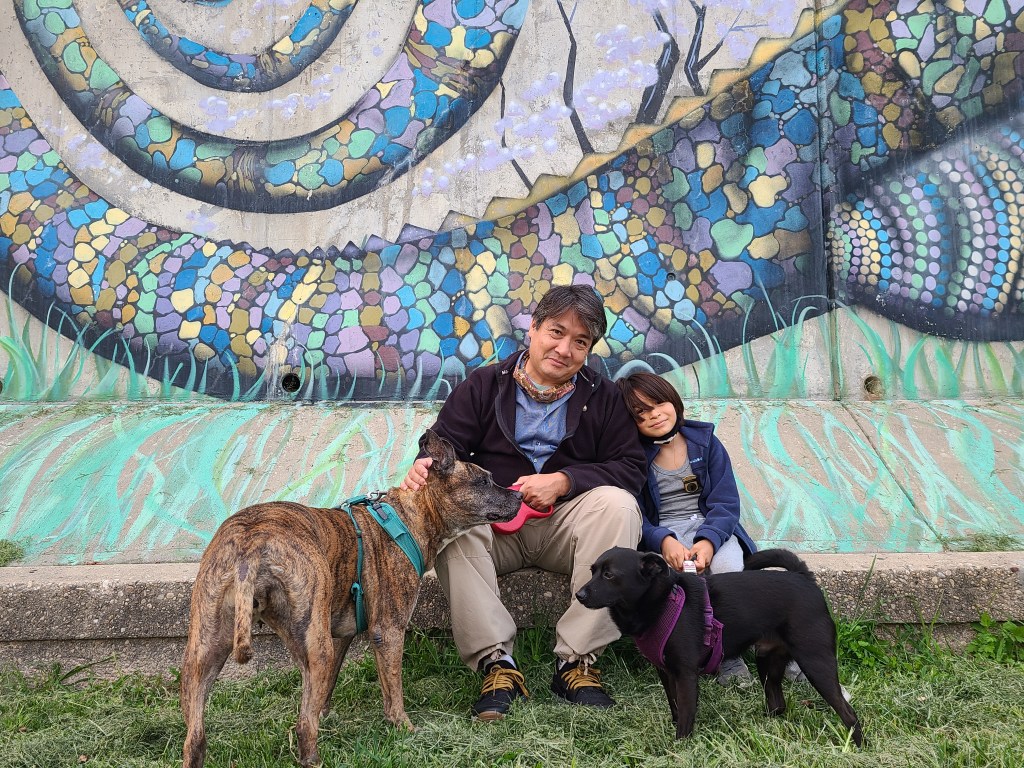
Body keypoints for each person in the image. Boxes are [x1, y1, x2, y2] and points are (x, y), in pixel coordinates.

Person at [400, 285, 646, 720]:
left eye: (580, 341)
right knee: (453, 524)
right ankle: (497, 664)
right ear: (533, 329)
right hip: (497, 529)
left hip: (564, 526)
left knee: (619, 505)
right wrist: (423, 465)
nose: (564, 349)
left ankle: (576, 662)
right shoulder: (483, 385)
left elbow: (630, 468)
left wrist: (566, 480)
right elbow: (444, 445)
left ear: (589, 350)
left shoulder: (604, 397)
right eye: (556, 332)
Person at [615, 371, 758, 683]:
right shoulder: (632, 456)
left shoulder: (705, 443)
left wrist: (709, 541)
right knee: (681, 589)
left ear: (673, 401)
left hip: (711, 529)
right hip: (665, 535)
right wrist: (663, 541)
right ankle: (714, 654)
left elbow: (726, 503)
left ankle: (753, 649)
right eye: (640, 413)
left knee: (730, 574)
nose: (653, 415)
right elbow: (636, 515)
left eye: (658, 404)